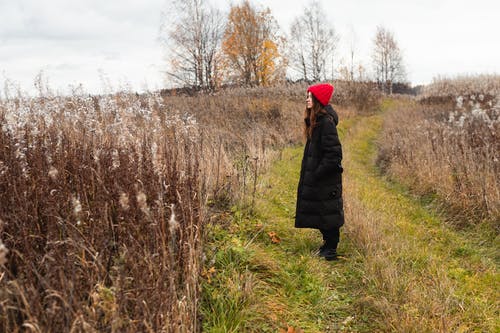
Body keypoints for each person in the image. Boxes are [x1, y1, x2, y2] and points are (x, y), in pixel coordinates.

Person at [295, 83, 344, 261]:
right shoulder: (316, 121)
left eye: (310, 96)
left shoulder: (326, 123)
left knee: (328, 213)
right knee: (322, 212)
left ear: (318, 100)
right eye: (307, 96)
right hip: (321, 177)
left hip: (326, 179)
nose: (307, 99)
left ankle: (331, 249)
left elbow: (334, 154)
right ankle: (327, 245)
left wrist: (318, 173)